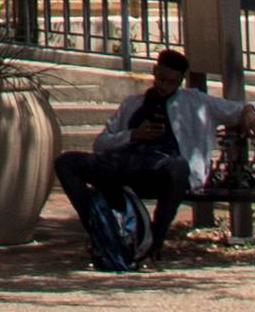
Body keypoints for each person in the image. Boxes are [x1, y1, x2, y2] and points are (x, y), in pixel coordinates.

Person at [55, 49, 224, 270]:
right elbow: (101, 144)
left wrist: (251, 112)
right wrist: (134, 135)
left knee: (178, 166)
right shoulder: (132, 104)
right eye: (161, 79)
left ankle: (153, 244)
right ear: (154, 72)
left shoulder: (193, 102)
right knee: (66, 162)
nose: (164, 86)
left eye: (172, 83)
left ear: (180, 82)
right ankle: (105, 233)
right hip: (123, 164)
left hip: (159, 170)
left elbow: (242, 109)